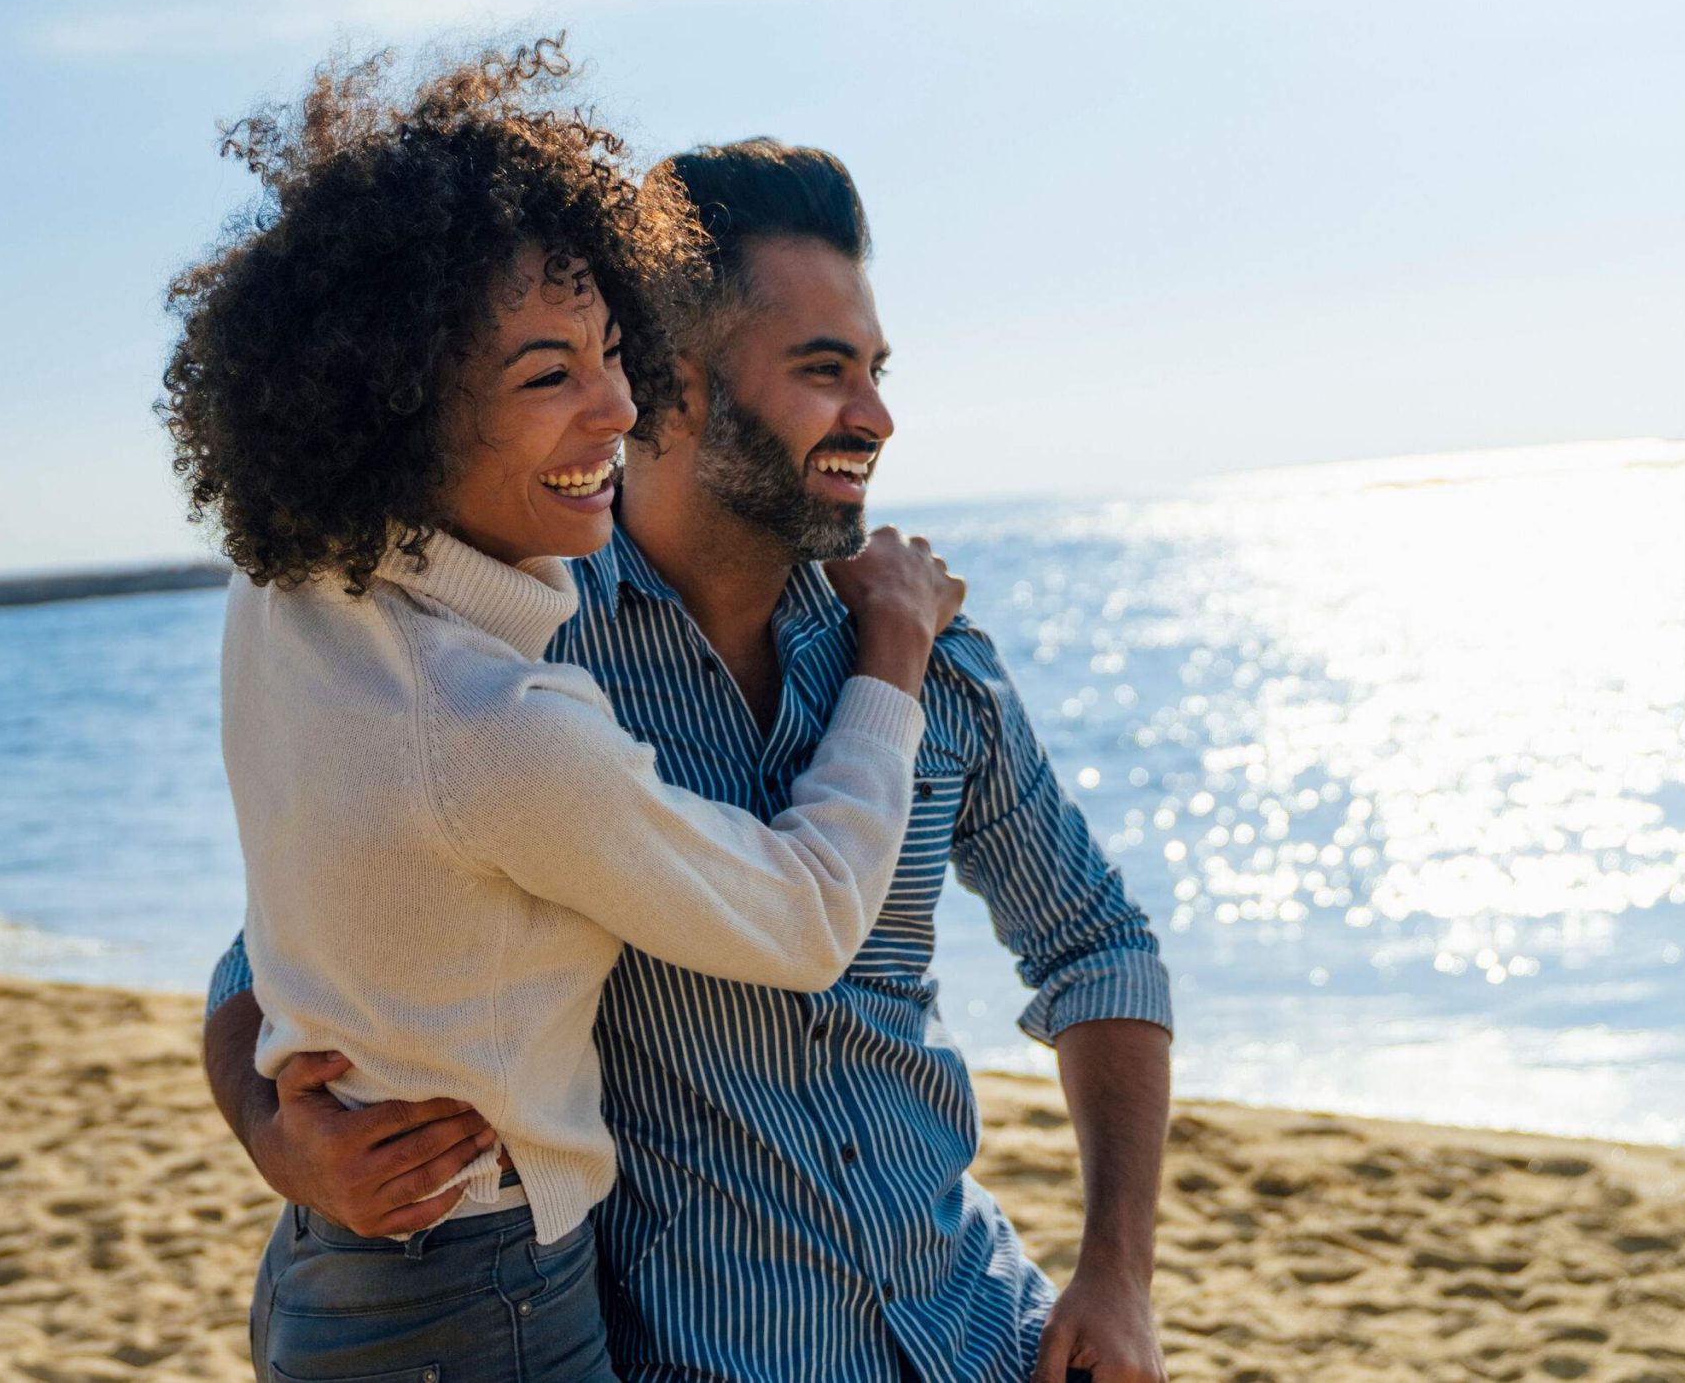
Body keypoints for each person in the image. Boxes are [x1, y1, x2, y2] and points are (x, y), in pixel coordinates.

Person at [204, 138, 1176, 1383]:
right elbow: (271, 953)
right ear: (669, 384)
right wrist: (273, 1136)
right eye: (824, 371)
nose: (875, 416)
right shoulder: (524, 674)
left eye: (875, 371)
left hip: (976, 1331)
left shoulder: (937, 657)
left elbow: (1097, 944)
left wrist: (1117, 1276)